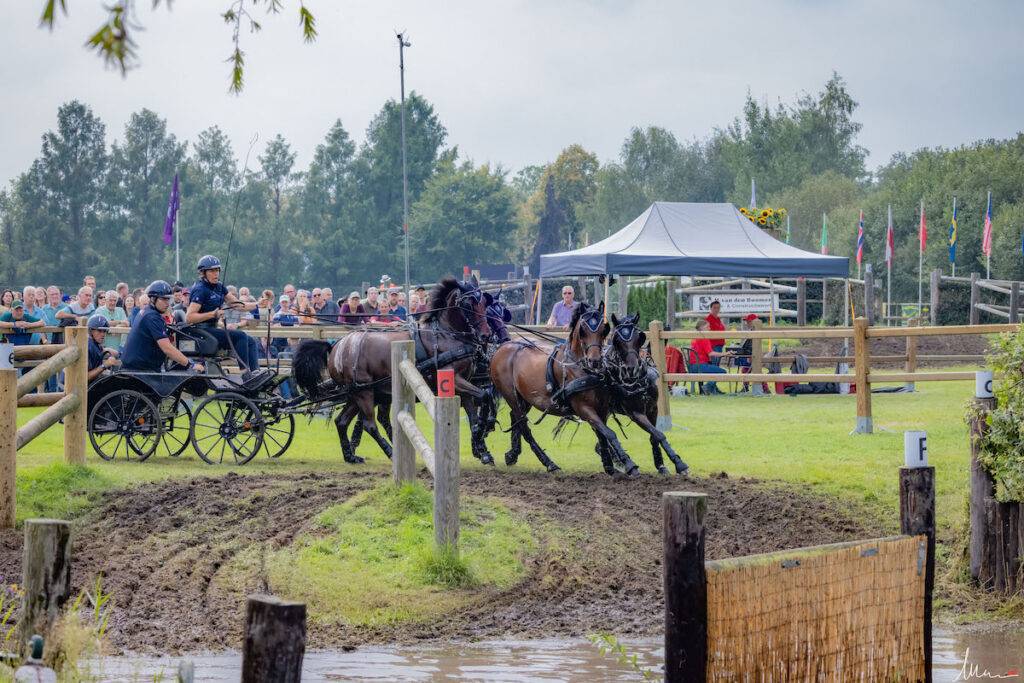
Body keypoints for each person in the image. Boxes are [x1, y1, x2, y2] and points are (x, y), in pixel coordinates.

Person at [185, 255, 262, 376]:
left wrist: (258, 304)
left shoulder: (219, 287)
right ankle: (245, 374)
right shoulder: (200, 289)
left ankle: (255, 373)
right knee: (240, 336)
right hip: (200, 331)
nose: (216, 273)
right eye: (211, 271)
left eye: (217, 270)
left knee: (251, 341)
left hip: (212, 329)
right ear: (203, 273)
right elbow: (189, 318)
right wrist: (213, 314)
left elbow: (238, 305)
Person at [122, 281, 204, 373]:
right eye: (164, 299)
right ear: (153, 299)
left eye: (168, 299)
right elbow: (166, 348)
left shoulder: (146, 311)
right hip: (140, 370)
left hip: (138, 367)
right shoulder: (152, 316)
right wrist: (191, 364)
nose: (167, 303)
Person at [687, 319, 731, 395]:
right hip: (700, 366)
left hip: (691, 366)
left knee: (714, 369)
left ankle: (711, 389)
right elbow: (710, 353)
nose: (709, 328)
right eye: (707, 327)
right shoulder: (704, 338)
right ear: (701, 328)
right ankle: (707, 387)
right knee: (722, 372)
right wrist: (725, 353)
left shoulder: (694, 338)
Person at [86, 314, 120, 381]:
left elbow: (102, 351)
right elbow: (85, 377)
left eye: (104, 331)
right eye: (99, 331)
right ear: (91, 331)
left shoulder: (94, 343)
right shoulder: (87, 347)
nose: (103, 334)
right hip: (78, 385)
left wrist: (119, 354)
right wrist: (104, 365)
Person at [705, 301, 727, 365]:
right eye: (714, 308)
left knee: (716, 364)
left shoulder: (718, 319)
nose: (716, 309)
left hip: (719, 345)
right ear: (711, 308)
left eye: (718, 308)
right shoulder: (708, 319)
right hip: (713, 346)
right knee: (714, 364)